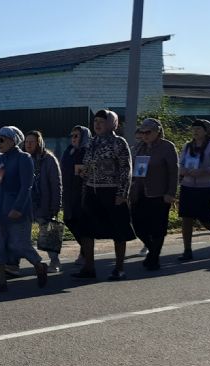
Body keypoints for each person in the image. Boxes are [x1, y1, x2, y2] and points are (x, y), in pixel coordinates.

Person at [0, 126, 48, 293]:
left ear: (13, 141)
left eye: (2, 139)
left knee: (18, 244)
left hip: (16, 212)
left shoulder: (24, 158)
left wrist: (18, 208)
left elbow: (26, 186)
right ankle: (0, 282)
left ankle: (39, 265)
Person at [73, 109, 135, 280]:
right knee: (86, 230)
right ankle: (89, 267)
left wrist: (123, 193)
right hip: (92, 191)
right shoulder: (92, 143)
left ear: (111, 123)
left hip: (112, 191)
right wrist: (84, 177)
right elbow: (88, 165)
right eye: (95, 121)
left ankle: (119, 268)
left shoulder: (118, 142)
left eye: (102, 121)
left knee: (118, 231)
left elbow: (126, 169)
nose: (98, 124)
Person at [129, 118, 179, 271]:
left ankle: (154, 257)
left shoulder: (167, 147)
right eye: (142, 132)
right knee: (138, 226)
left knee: (158, 227)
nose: (144, 135)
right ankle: (152, 249)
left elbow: (173, 171)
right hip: (140, 193)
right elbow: (131, 169)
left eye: (148, 132)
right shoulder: (138, 148)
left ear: (157, 132)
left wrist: (170, 192)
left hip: (159, 193)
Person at [177, 119, 210, 260]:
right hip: (188, 186)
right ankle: (187, 250)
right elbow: (180, 163)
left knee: (205, 219)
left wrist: (204, 171)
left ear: (206, 131)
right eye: (193, 129)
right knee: (186, 218)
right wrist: (182, 170)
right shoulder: (188, 146)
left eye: (198, 129)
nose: (195, 131)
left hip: (207, 187)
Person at [25, 130, 63, 272]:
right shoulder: (25, 158)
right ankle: (15, 264)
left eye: (32, 142)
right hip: (27, 204)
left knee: (47, 234)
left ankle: (54, 261)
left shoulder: (49, 159)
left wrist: (56, 205)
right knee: (22, 236)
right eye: (26, 142)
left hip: (44, 203)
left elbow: (56, 184)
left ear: (39, 143)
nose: (28, 144)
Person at [60, 126, 90, 270]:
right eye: (72, 135)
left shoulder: (86, 151)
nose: (73, 138)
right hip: (68, 193)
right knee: (69, 220)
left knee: (81, 223)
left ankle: (85, 253)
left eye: (77, 136)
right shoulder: (68, 151)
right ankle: (84, 249)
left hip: (81, 194)